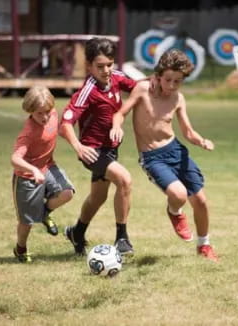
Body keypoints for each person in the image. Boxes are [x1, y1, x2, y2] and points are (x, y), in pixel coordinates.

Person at [110, 49, 219, 262]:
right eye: (167, 80)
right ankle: (174, 212)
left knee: (201, 201)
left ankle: (204, 245)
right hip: (153, 157)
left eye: (177, 81)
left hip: (176, 150)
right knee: (178, 195)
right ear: (158, 76)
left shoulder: (178, 99)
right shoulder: (142, 90)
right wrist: (117, 126)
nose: (171, 86)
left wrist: (201, 141)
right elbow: (120, 113)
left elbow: (187, 131)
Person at [59, 38, 136, 256]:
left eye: (110, 64)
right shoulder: (88, 90)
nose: (106, 70)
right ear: (89, 66)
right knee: (124, 179)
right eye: (100, 66)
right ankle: (122, 238)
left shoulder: (118, 77)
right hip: (93, 151)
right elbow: (64, 123)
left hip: (110, 150)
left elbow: (141, 88)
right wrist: (78, 147)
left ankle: (77, 232)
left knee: (98, 197)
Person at [11, 86, 75, 263]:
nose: (45, 117)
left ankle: (45, 213)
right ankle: (20, 248)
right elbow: (15, 159)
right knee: (27, 222)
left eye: (47, 111)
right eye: (40, 113)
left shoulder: (52, 113)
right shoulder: (28, 133)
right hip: (27, 177)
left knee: (67, 193)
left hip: (48, 167)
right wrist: (32, 170)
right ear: (30, 111)